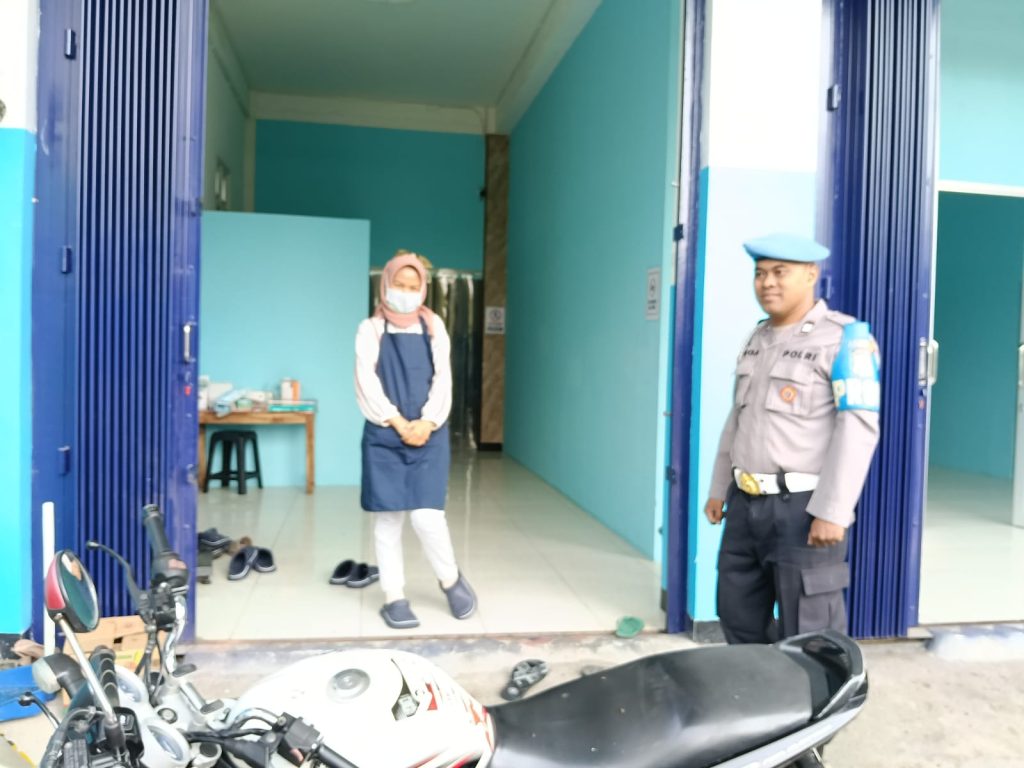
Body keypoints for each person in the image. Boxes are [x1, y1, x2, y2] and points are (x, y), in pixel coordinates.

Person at [704, 233, 880, 644]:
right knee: (738, 615)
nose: (767, 282)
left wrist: (833, 511)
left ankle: (816, 690)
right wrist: (719, 489)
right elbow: (738, 419)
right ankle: (757, 687)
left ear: (811, 275)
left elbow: (857, 427)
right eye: (760, 273)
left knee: (810, 632)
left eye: (780, 272)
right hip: (745, 505)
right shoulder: (757, 338)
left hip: (802, 508)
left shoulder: (844, 339)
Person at [355, 250, 476, 629]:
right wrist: (396, 421)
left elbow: (443, 378)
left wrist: (427, 421)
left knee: (427, 517)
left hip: (429, 432)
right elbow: (366, 380)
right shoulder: (370, 329)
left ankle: (451, 580)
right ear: (386, 284)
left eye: (412, 286)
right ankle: (394, 597)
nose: (405, 293)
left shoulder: (433, 325)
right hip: (384, 432)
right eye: (399, 285)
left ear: (422, 289)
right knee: (389, 518)